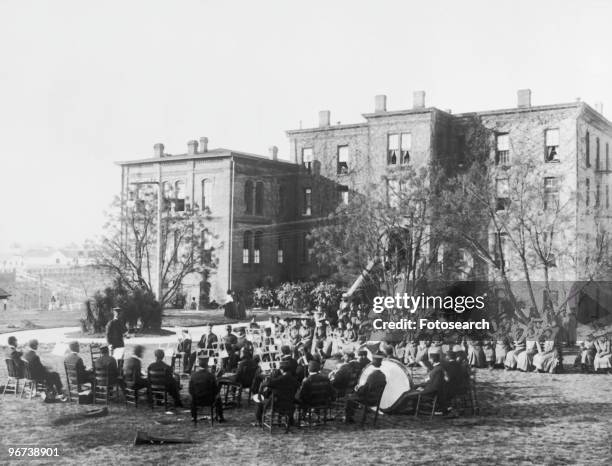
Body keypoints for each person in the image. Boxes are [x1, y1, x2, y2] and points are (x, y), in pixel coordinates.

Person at [254, 360, 300, 426]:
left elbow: (267, 384)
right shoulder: (295, 380)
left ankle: (259, 421)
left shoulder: (279, 380)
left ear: (281, 370)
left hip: (277, 404)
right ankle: (290, 420)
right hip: (290, 403)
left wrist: (267, 380)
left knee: (259, 401)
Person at [345, 353, 386, 423]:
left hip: (368, 399)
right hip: (376, 399)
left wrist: (357, 391)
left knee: (350, 399)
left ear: (375, 361)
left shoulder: (372, 375)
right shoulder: (383, 375)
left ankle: (348, 418)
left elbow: (365, 388)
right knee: (354, 396)